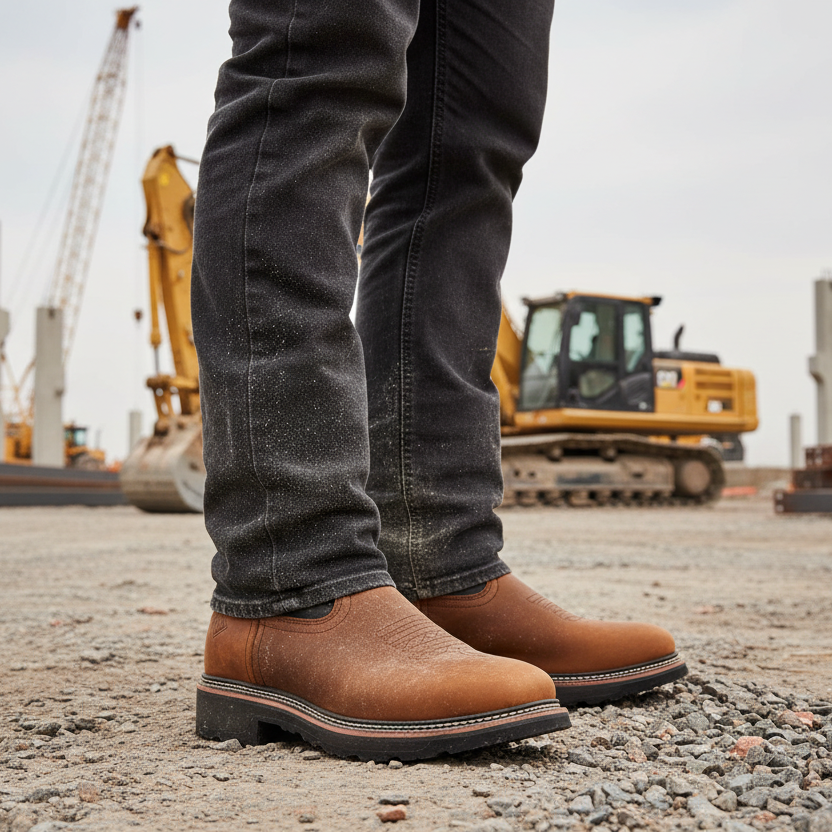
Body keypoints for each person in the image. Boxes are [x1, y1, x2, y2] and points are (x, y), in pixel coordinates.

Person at [191, 0, 686, 762]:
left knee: (474, 135)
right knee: (322, 53)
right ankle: (289, 582)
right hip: (286, 582)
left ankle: (438, 566)